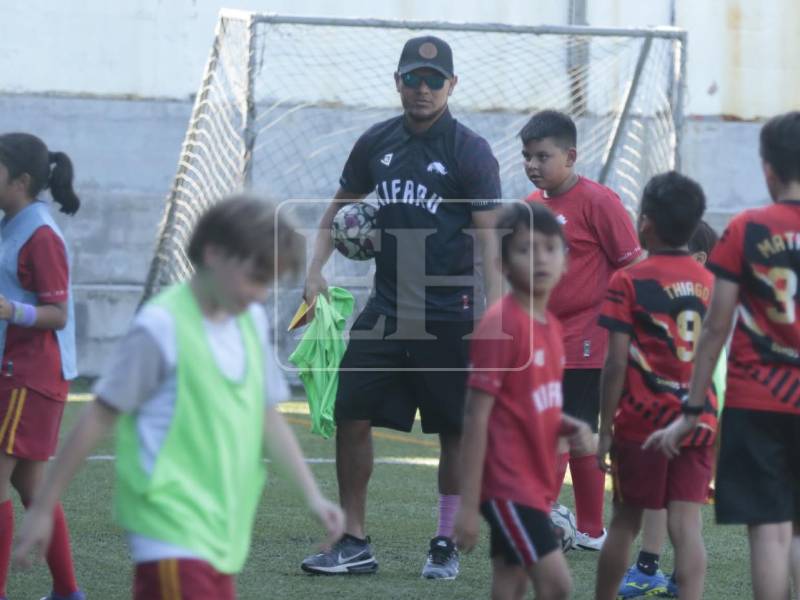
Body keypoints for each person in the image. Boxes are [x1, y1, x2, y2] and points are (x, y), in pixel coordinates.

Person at [12, 197, 345, 599]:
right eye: (255, 277)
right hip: (169, 528)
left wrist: (312, 495)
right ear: (213, 253)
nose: (260, 294)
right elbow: (99, 417)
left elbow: (266, 417)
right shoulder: (161, 326)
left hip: (221, 529)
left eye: (269, 282)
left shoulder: (250, 322)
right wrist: (44, 506)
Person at [300, 35, 502, 580]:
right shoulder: (376, 142)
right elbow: (337, 208)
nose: (421, 88)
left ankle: (444, 541)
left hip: (449, 311)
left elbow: (490, 244)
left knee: (453, 430)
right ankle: (353, 540)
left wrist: (500, 313)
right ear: (397, 82)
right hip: (387, 308)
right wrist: (315, 269)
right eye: (412, 78)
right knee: (351, 412)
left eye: (433, 80)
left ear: (451, 85)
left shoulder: (470, 151)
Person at [646, 112, 800, 600]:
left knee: (770, 530)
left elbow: (716, 324)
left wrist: (693, 406)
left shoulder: (745, 228)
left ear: (767, 170)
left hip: (757, 400)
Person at [453, 202, 592, 600]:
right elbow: (476, 417)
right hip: (507, 485)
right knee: (558, 585)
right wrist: (467, 505)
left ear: (566, 261)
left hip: (535, 482)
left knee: (509, 585)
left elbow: (531, 405)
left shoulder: (551, 327)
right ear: (502, 263)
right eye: (526, 249)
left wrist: (570, 424)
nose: (541, 259)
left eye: (551, 248)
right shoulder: (502, 325)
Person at [594, 172, 718, 600]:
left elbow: (615, 362)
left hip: (642, 422)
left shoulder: (628, 281)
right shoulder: (711, 282)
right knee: (687, 526)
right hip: (698, 420)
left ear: (645, 222)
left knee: (625, 522)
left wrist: (605, 427)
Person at [524, 110, 643, 550]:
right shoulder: (531, 207)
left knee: (573, 429)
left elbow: (632, 264)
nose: (533, 165)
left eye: (543, 155)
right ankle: (570, 523)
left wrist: (626, 328)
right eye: (527, 156)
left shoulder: (599, 202)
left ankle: (583, 527)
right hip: (544, 340)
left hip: (590, 340)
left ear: (570, 156)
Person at [616, 219, 724, 598]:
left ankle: (650, 568)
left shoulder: (652, 296)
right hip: (699, 420)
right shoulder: (714, 300)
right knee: (681, 513)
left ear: (696, 257)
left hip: (660, 418)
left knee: (655, 507)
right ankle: (670, 576)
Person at [0, 133, 83, 600]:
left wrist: (13, 311)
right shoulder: (12, 223)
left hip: (29, 376)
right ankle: (67, 591)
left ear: (21, 181)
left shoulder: (41, 235)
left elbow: (58, 314)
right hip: (15, 370)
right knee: (31, 486)